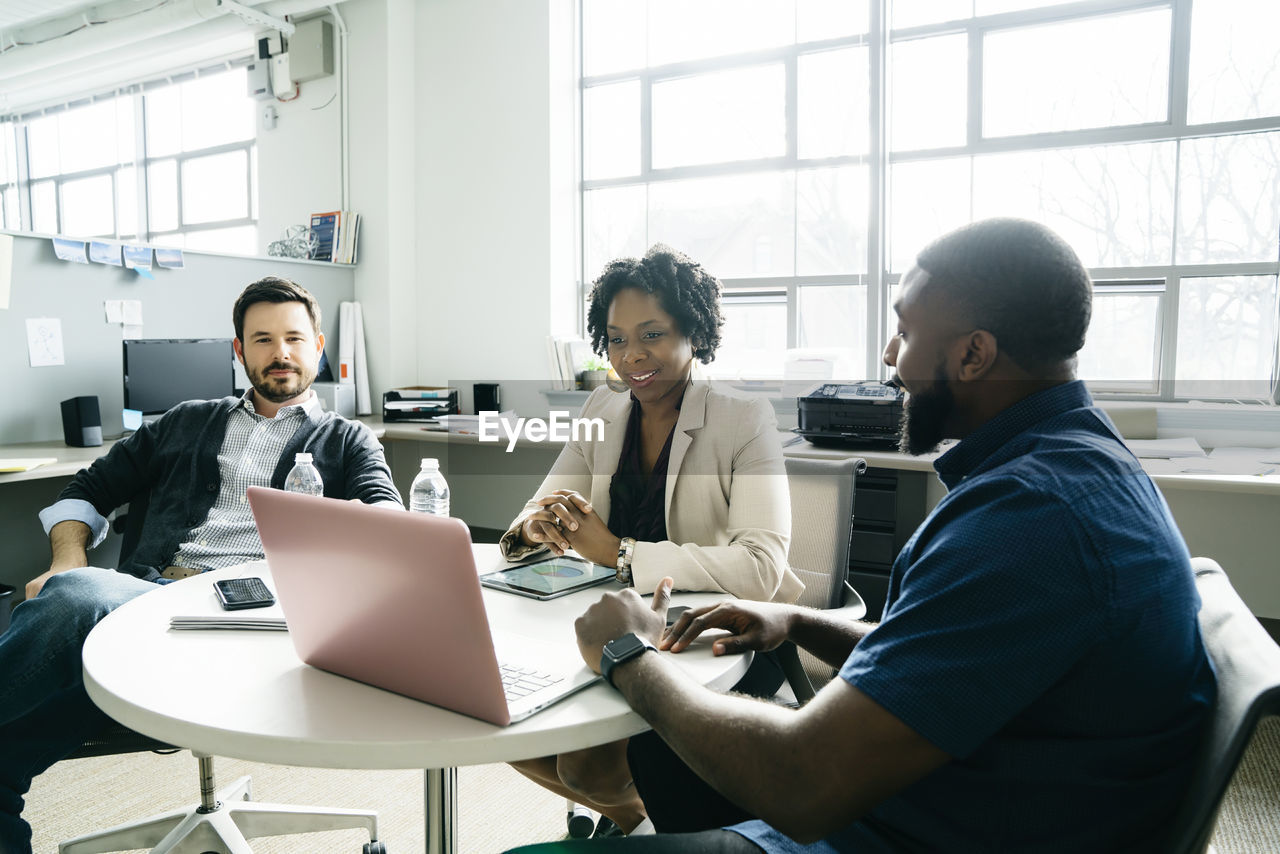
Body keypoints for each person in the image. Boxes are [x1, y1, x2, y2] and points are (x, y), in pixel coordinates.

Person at [506, 218, 1217, 853]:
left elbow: (803, 783)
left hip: (886, 825)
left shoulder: (1031, 521)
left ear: (972, 355)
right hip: (955, 797)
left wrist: (627, 654)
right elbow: (942, 657)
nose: (887, 354)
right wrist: (797, 620)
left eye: (905, 330)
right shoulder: (1068, 467)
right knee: (640, 754)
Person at [0, 276, 402, 854]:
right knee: (68, 608)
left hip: (266, 619)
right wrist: (66, 558)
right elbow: (85, 490)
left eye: (294, 338)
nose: (280, 353)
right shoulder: (183, 421)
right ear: (239, 351)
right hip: (151, 603)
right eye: (262, 339)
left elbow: (385, 521)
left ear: (318, 346)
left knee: (75, 599)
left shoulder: (349, 441)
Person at [501, 244, 800, 836]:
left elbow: (762, 567)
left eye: (652, 335)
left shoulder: (743, 417)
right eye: (615, 339)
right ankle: (639, 824)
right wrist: (535, 529)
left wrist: (618, 553)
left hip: (713, 636)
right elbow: (535, 511)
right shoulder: (603, 408)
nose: (631, 356)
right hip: (611, 623)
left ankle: (643, 826)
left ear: (694, 332)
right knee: (504, 725)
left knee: (586, 763)